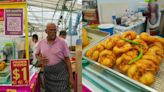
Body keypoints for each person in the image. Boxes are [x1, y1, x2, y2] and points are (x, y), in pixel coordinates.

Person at [35, 23, 74, 92]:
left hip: (61, 74)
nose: (53, 32)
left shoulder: (62, 42)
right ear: (46, 31)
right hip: (48, 75)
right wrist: (39, 59)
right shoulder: (41, 43)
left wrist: (71, 77)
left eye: (55, 30)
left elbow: (67, 60)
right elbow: (36, 54)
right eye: (51, 30)